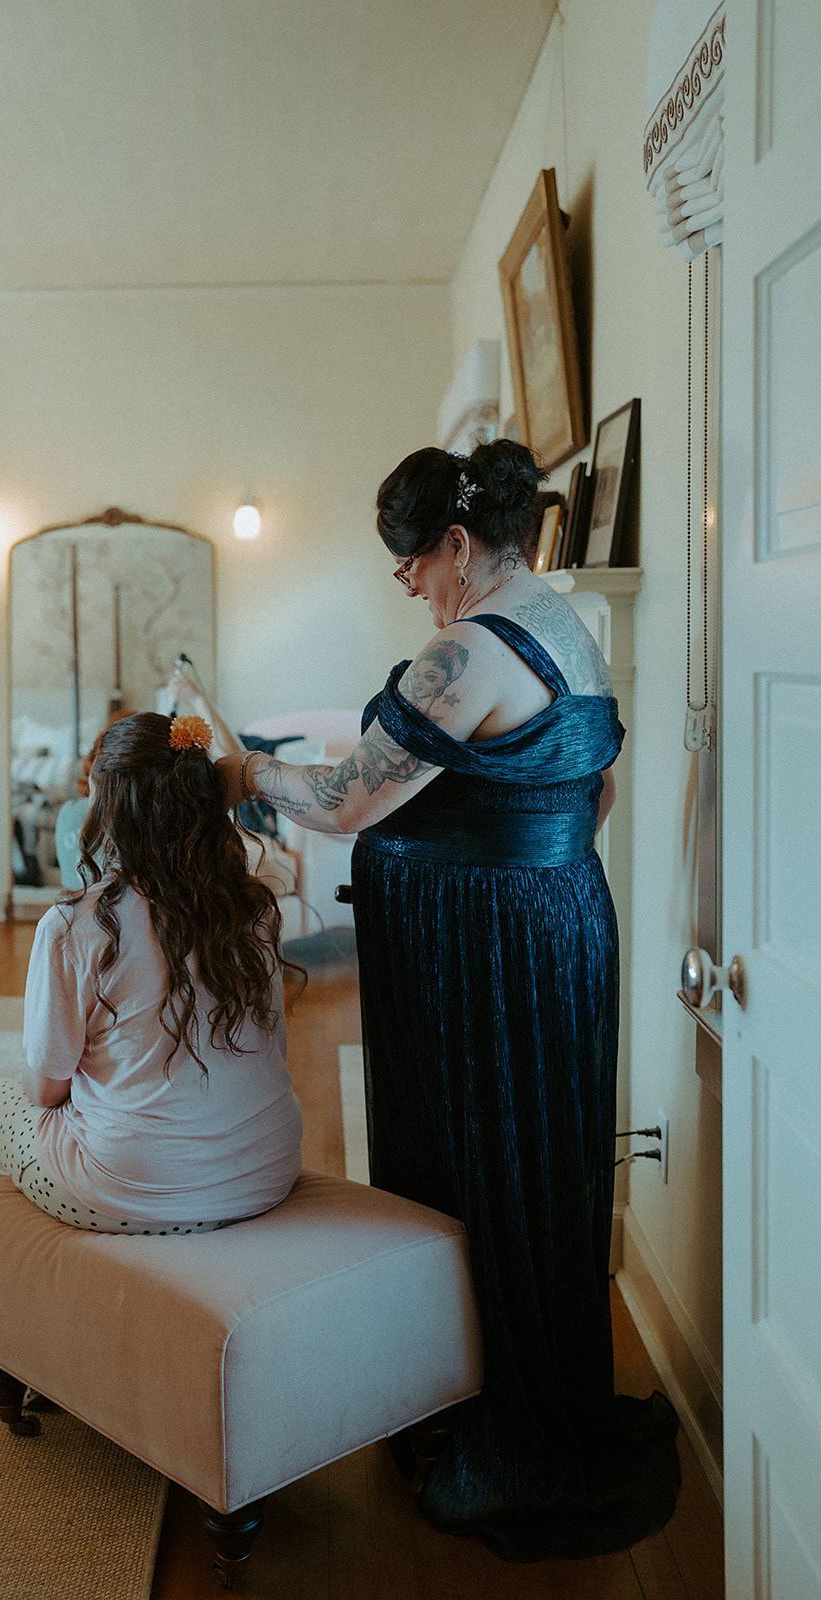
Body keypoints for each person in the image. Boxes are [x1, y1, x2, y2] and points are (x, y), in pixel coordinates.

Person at [215, 440, 680, 1559]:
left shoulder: (469, 651)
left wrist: (240, 771)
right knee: (533, 1156)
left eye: (410, 561)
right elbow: (593, 784)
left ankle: (491, 1416)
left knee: (481, 1158)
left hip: (483, 947)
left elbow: (338, 801)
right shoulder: (565, 622)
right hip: (555, 919)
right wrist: (531, 871)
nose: (408, 583)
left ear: (459, 545)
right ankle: (511, 1382)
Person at [0, 711, 302, 1236]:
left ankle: (15, 1272)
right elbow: (275, 1050)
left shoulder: (72, 926)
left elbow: (45, 1091)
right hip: (268, 1170)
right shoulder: (253, 907)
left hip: (133, 1189)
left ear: (109, 808)